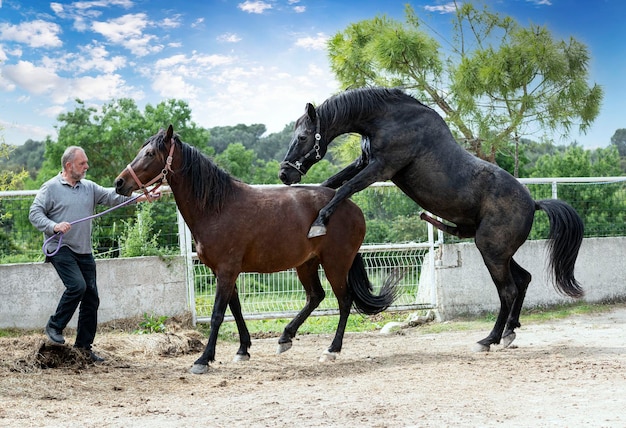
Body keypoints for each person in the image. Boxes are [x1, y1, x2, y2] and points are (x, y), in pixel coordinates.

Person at [29, 146, 158, 362]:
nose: (87, 166)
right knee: (77, 286)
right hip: (60, 248)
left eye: (86, 162)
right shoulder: (50, 188)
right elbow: (35, 213)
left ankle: (84, 349)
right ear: (69, 166)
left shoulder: (88, 187)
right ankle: (54, 325)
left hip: (83, 250)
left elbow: (111, 196)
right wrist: (54, 226)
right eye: (82, 163)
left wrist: (142, 198)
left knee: (91, 298)